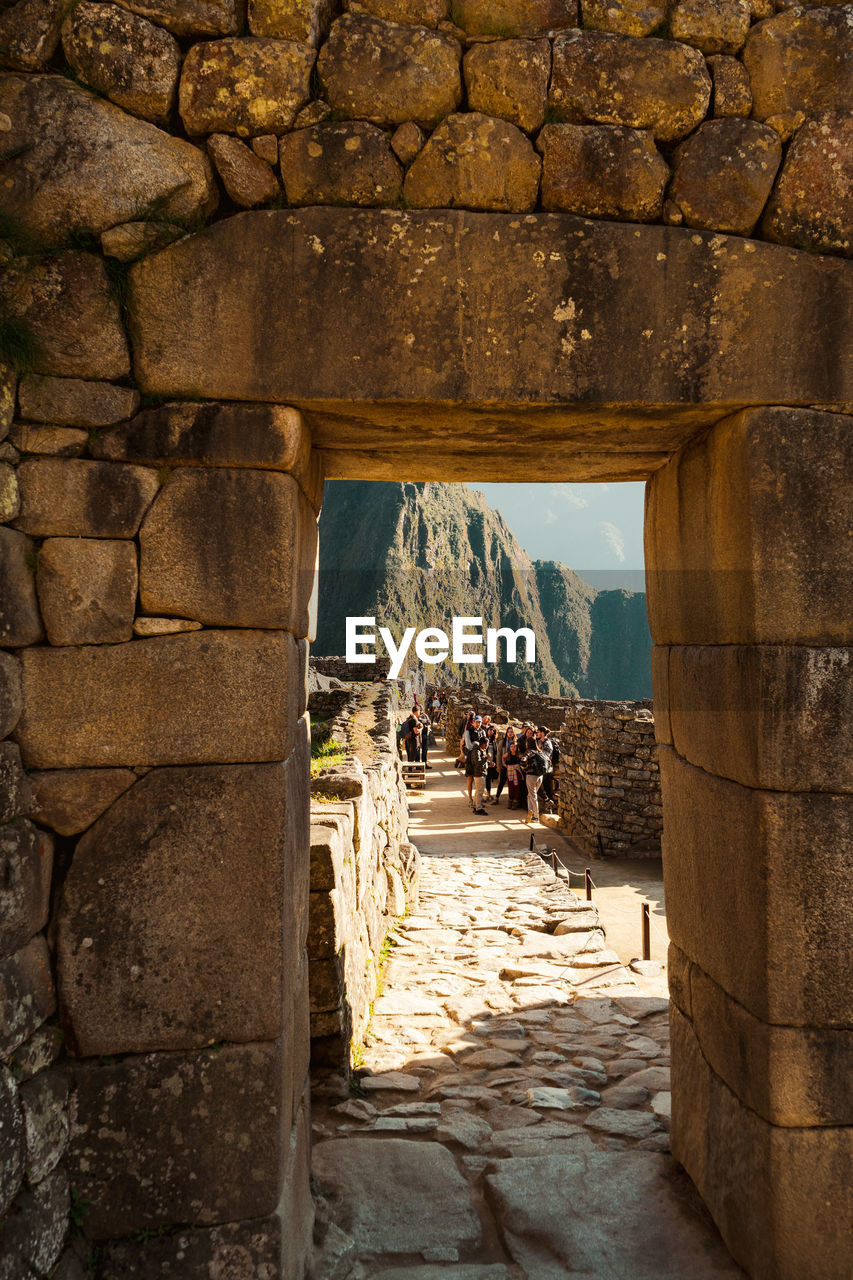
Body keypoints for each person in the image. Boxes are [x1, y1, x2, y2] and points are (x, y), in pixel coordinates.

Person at [521, 734, 549, 824]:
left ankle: (535, 816)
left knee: (533, 796)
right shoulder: (540, 751)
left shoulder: (529, 752)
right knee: (530, 795)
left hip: (531, 776)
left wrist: (524, 768)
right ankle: (531, 813)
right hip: (540, 776)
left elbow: (522, 761)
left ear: (528, 744)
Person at [464, 714, 487, 808]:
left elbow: (485, 744)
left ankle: (478, 800)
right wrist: (478, 744)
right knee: (470, 779)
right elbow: (468, 745)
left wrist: (475, 743)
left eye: (480, 722)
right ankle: (470, 799)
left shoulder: (482, 732)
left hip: (480, 757)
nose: (478, 724)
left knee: (479, 778)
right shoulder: (468, 732)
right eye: (477, 722)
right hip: (470, 758)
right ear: (473, 722)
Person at [494, 724, 517, 805]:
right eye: (509, 732)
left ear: (514, 733)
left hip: (513, 765)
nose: (510, 733)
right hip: (505, 764)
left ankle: (512, 800)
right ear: (506, 733)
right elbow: (499, 754)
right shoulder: (502, 742)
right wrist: (499, 765)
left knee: (513, 783)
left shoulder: (516, 742)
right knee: (502, 782)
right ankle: (496, 798)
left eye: (511, 732)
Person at [503, 734, 524, 809]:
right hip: (510, 772)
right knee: (510, 786)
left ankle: (515, 801)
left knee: (516, 786)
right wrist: (505, 765)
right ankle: (510, 800)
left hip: (517, 772)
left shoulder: (519, 755)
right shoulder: (508, 754)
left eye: (514, 746)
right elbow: (503, 758)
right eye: (511, 747)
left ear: (517, 747)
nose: (513, 748)